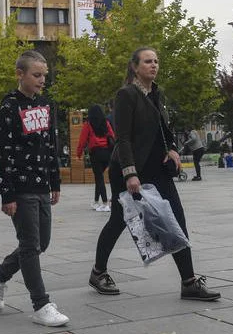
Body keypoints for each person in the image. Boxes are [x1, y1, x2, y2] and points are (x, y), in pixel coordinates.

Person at [87, 47, 221, 302]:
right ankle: (98, 272)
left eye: (156, 61)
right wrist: (130, 174)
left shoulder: (156, 94)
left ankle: (189, 282)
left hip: (158, 169)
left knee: (176, 219)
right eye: (148, 61)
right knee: (119, 220)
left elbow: (164, 130)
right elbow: (123, 138)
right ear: (135, 67)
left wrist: (171, 149)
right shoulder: (126, 95)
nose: (154, 65)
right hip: (130, 169)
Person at [0, 50, 69, 327]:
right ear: (20, 74)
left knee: (41, 243)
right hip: (21, 187)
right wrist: (6, 194)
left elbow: (50, 145)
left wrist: (55, 182)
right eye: (36, 75)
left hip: (42, 184)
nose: (42, 80)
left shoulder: (46, 104)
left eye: (44, 75)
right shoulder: (9, 107)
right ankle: (41, 304)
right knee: (30, 246)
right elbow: (3, 153)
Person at [77, 104, 116, 212]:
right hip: (107, 153)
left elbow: (82, 140)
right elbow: (112, 136)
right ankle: (95, 201)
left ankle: (105, 203)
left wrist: (79, 153)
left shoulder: (88, 124)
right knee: (99, 178)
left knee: (99, 178)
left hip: (96, 153)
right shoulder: (106, 123)